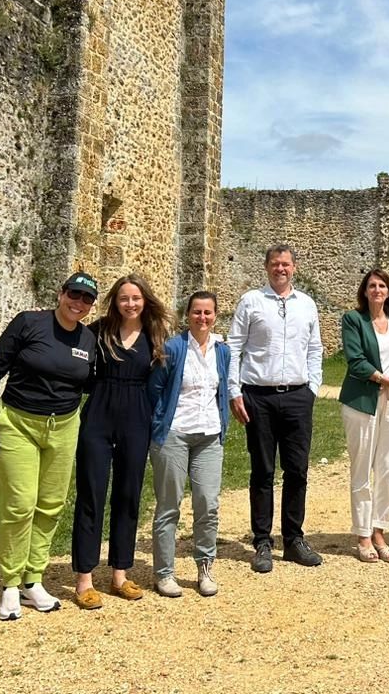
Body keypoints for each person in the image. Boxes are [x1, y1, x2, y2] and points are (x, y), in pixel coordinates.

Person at [0, 272, 99, 621]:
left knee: (50, 505)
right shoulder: (29, 323)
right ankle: (10, 585)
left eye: (87, 299)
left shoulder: (88, 339)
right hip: (18, 424)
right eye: (74, 294)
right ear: (61, 293)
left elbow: (88, 382)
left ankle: (33, 580)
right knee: (20, 504)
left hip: (63, 427)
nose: (79, 303)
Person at [69, 274, 170, 609]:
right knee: (91, 493)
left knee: (128, 495)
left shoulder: (155, 334)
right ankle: (84, 578)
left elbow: (162, 383)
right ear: (115, 301)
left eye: (136, 298)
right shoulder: (97, 331)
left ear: (145, 301)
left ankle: (120, 575)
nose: (130, 304)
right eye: (124, 298)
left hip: (136, 418)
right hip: (99, 414)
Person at [227, 244, 324, 572]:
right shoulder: (251, 301)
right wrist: (234, 391)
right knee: (263, 471)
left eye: (285, 264)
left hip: (298, 396)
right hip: (260, 397)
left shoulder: (307, 305)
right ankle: (263, 542)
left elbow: (315, 347)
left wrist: (312, 388)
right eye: (274, 264)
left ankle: (294, 539)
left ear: (294, 267)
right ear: (266, 267)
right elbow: (234, 345)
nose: (280, 269)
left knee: (297, 470)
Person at [148, 291, 231, 597]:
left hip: (209, 436)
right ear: (187, 315)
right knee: (169, 505)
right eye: (197, 312)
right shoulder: (172, 348)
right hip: (175, 435)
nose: (202, 318)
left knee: (208, 504)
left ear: (215, 315)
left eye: (208, 312)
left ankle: (205, 567)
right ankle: (165, 573)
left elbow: (222, 389)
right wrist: (159, 427)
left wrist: (223, 424)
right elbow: (154, 390)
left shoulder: (222, 352)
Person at [338, 269, 389, 562]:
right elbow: (356, 361)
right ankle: (363, 534)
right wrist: (387, 380)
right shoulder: (353, 320)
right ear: (364, 291)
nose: (377, 290)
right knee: (362, 469)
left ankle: (380, 530)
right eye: (372, 285)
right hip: (362, 402)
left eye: (382, 285)